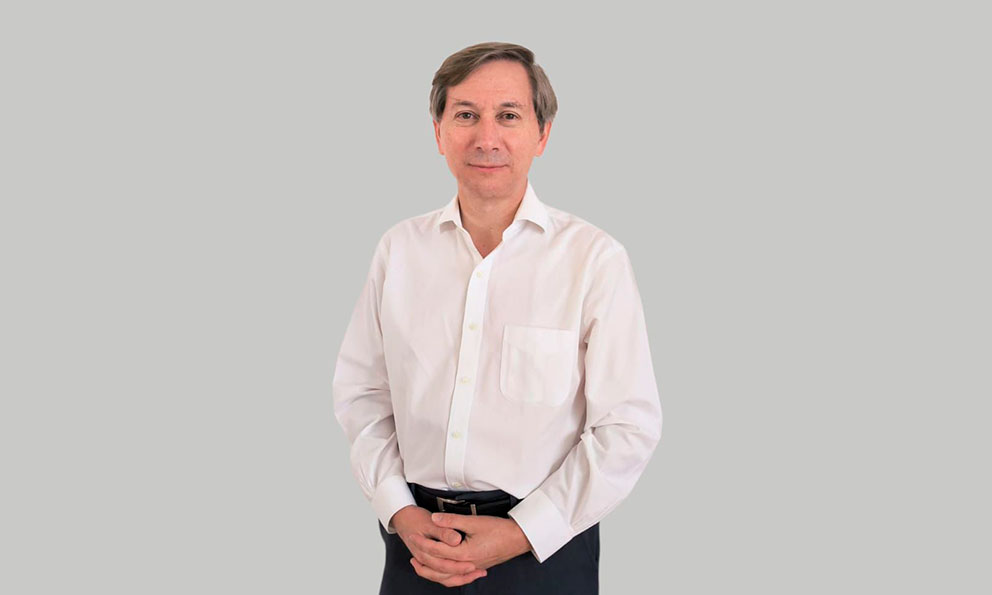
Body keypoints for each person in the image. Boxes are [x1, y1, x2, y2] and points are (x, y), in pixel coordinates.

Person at [332, 41, 663, 594]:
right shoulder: (399, 250)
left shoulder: (594, 260)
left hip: (544, 551)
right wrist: (399, 511)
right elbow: (363, 395)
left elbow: (628, 426)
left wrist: (521, 532)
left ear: (542, 134)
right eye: (466, 115)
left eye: (508, 116)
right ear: (438, 132)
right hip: (417, 545)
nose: (486, 138)